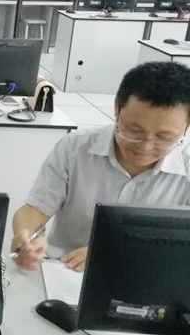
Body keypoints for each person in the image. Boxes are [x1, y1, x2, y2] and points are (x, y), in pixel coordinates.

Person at [12, 61, 190, 273]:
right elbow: (35, 209)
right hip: (66, 269)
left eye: (164, 137)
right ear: (116, 108)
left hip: (152, 275)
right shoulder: (75, 148)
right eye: (133, 130)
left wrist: (112, 253)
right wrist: (27, 236)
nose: (145, 147)